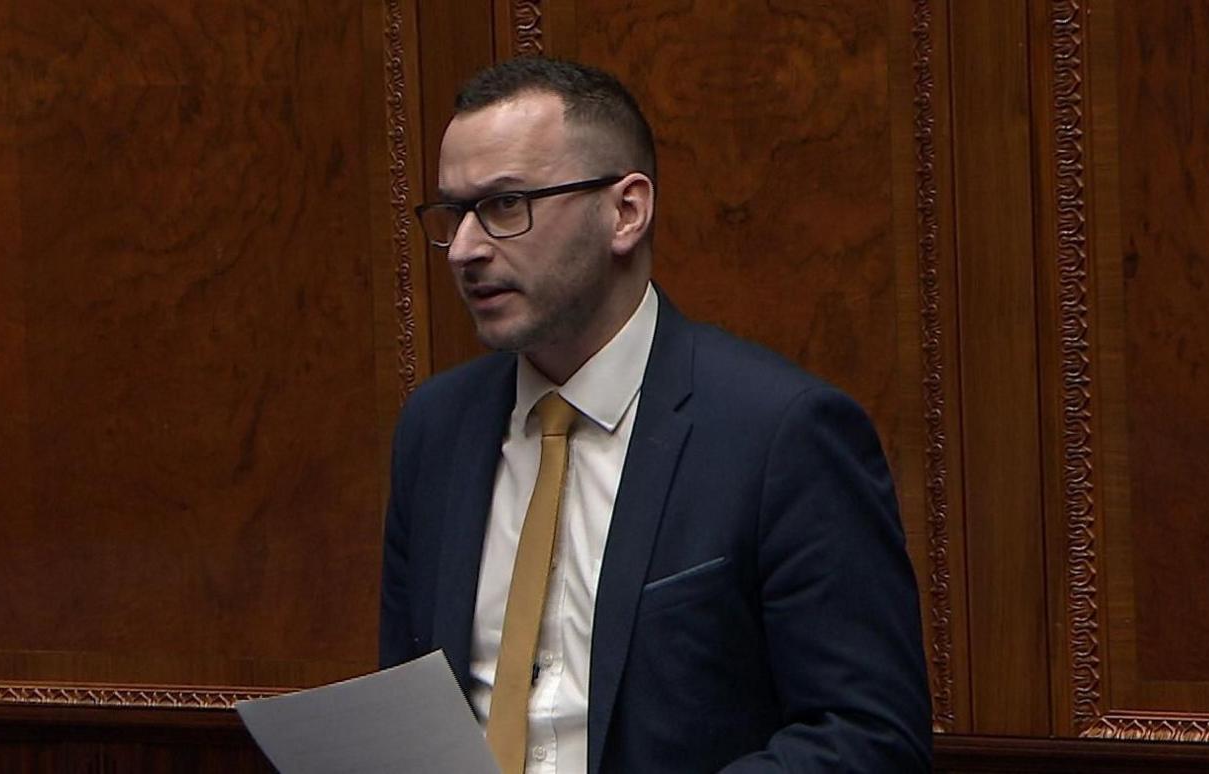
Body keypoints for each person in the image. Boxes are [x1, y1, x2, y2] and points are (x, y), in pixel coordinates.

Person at [380, 57, 931, 773]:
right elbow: (406, 712)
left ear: (626, 211)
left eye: (505, 206)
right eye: (453, 213)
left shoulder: (780, 434)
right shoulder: (436, 429)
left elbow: (869, 738)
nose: (463, 249)